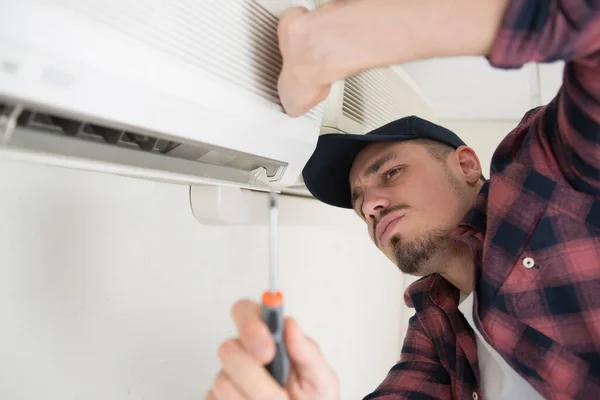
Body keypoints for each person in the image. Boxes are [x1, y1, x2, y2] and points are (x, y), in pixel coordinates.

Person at [206, 0, 600, 398]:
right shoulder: (435, 325)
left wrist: (334, 39)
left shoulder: (539, 174)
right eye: (360, 207)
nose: (371, 207)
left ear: (465, 166)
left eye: (391, 172)